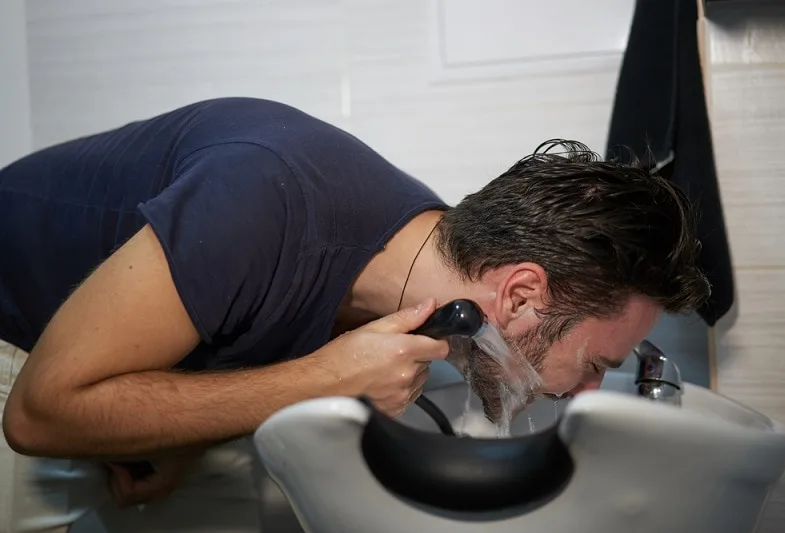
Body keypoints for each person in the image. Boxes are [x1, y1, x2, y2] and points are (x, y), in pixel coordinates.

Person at [0, 97, 709, 519]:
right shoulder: (263, 193)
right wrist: (318, 380)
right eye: (594, 363)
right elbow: (38, 413)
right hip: (18, 349)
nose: (584, 391)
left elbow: (240, 314)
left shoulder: (417, 262)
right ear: (520, 294)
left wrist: (183, 434)